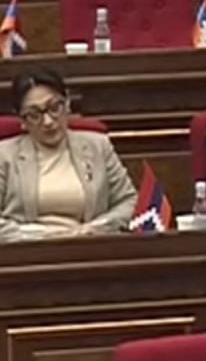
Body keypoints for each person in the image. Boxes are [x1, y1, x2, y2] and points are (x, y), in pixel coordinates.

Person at [0, 67, 136, 240]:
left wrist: (98, 227)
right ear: (22, 120)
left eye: (54, 108)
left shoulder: (98, 146)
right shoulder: (4, 155)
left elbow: (128, 201)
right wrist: (36, 235)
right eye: (34, 115)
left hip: (90, 246)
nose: (48, 121)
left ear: (68, 104)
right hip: (29, 251)